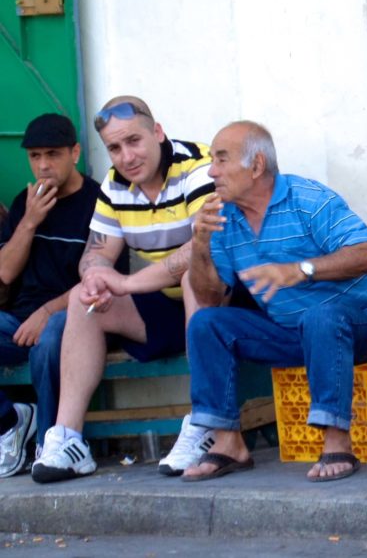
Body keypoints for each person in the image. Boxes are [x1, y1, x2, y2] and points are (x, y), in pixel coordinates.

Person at [183, 121, 367, 482]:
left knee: (321, 316)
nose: (211, 171)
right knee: (206, 324)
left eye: (221, 159)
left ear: (256, 165)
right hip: (290, 332)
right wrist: (200, 244)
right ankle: (228, 443)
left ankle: (336, 442)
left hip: (362, 325)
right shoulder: (223, 218)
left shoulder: (308, 200)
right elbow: (209, 298)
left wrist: (301, 269)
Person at [31, 97, 215, 483]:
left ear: (158, 132)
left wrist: (127, 282)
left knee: (192, 272)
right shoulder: (115, 185)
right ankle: (67, 439)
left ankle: (205, 421)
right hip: (166, 306)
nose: (126, 156)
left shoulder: (198, 166)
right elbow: (95, 253)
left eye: (134, 141)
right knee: (86, 299)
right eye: (115, 147)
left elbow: (203, 247)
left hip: (225, 301)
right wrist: (96, 275)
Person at [0, 114, 124, 478]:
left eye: (52, 154)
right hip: (19, 321)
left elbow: (102, 277)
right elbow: (5, 272)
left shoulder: (100, 202)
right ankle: (11, 421)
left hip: (79, 315)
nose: (42, 165)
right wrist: (30, 221)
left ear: (75, 152)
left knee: (52, 337)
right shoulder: (27, 201)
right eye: (35, 156)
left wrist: (46, 311)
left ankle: (53, 444)